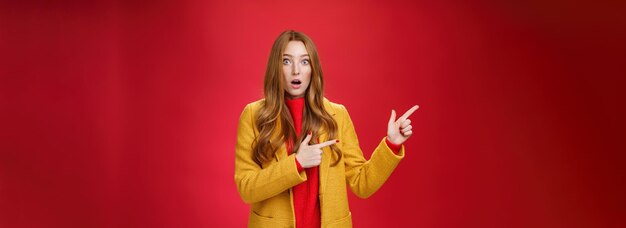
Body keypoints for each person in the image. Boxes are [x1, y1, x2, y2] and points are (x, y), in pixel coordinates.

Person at [234, 30, 419, 228]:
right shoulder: (254, 115)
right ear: (275, 67)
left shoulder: (337, 115)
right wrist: (296, 163)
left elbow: (362, 183)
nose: (296, 70)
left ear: (313, 68)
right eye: (286, 61)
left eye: (304, 61)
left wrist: (391, 144)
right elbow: (247, 188)